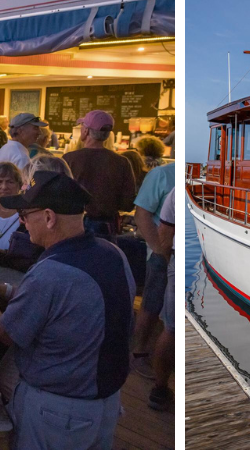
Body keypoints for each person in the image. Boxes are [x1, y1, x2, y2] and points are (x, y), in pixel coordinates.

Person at [0, 171, 135, 449]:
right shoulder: (113, 254)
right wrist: (0, 289)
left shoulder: (51, 273)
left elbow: (7, 331)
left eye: (24, 214)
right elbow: (67, 303)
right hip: (105, 404)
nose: (22, 223)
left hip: (59, 414)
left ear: (48, 217)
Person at [131, 163, 175, 378]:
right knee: (151, 303)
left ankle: (163, 361)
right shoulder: (162, 174)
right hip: (162, 252)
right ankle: (139, 353)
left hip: (179, 253)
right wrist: (158, 248)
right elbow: (142, 215)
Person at [63, 110, 135, 242]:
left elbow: (59, 195)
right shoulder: (121, 162)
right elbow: (128, 204)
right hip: (107, 227)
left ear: (86, 131)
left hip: (73, 224)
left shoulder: (69, 159)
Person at [149, 187, 175, 410]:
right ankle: (160, 388)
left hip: (178, 259)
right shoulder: (176, 193)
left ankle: (160, 387)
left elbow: (165, 238)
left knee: (171, 328)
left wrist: (170, 263)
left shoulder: (175, 193)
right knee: (172, 328)